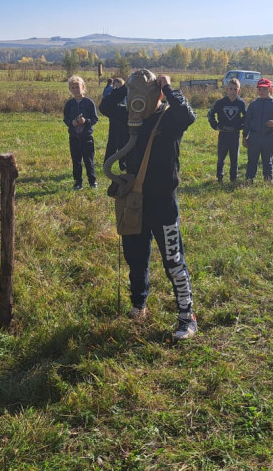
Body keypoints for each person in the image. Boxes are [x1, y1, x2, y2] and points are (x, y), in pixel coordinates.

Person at [100, 69, 198, 341]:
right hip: (134, 201)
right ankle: (138, 305)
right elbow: (105, 105)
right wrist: (126, 87)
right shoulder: (128, 116)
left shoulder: (169, 118)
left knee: (173, 260)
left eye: (145, 93)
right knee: (136, 257)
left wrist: (167, 87)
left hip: (163, 203)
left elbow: (189, 115)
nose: (138, 99)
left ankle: (186, 315)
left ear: (157, 94)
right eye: (134, 93)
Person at [243, 78, 273, 183]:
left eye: (264, 89)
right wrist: (244, 136)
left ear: (270, 89)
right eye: (260, 89)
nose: (262, 92)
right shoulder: (253, 105)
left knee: (267, 160)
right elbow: (247, 122)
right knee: (252, 160)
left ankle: (268, 179)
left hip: (268, 137)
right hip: (254, 137)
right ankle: (249, 179)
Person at [207, 77, 247, 182]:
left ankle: (233, 178)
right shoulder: (220, 103)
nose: (233, 91)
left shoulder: (241, 103)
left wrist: (240, 126)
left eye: (235, 89)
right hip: (223, 134)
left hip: (235, 134)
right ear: (226, 89)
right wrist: (215, 126)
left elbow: (247, 117)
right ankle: (219, 178)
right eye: (231, 88)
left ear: (239, 90)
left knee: (234, 159)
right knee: (221, 158)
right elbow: (210, 114)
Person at [63, 75, 99, 189]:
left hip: (86, 137)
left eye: (77, 87)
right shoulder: (69, 104)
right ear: (70, 89)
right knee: (76, 160)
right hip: (74, 137)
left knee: (89, 160)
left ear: (83, 87)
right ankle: (78, 182)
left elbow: (95, 119)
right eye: (72, 88)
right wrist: (71, 123)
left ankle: (92, 181)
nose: (75, 89)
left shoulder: (89, 102)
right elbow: (66, 119)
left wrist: (86, 121)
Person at [102, 77, 128, 171]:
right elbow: (104, 107)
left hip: (125, 123)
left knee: (124, 144)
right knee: (112, 144)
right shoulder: (112, 93)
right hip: (115, 122)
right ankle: (107, 164)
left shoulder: (129, 96)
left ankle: (123, 164)